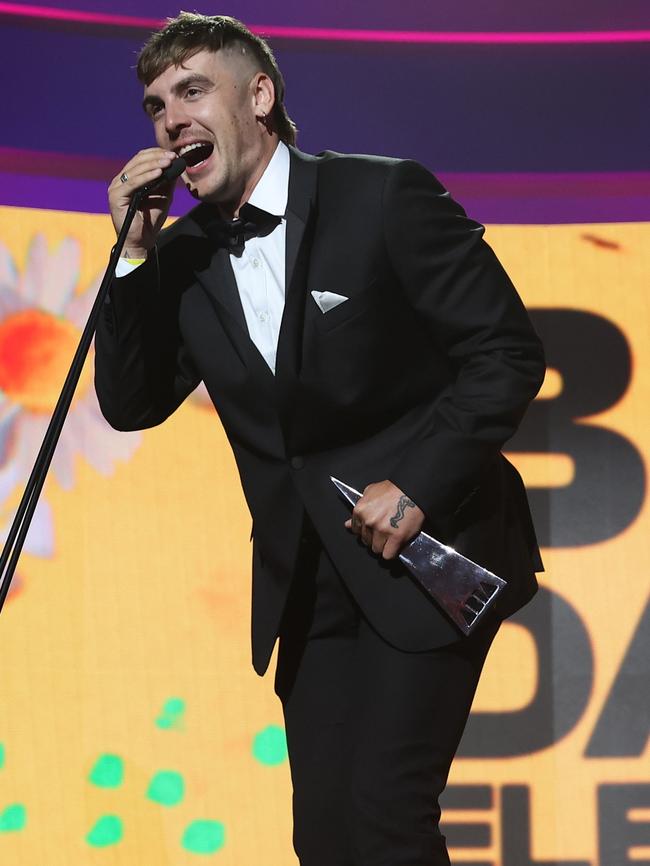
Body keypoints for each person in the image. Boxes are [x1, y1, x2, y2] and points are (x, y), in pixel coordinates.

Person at [95, 12, 545, 866]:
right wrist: (134, 257)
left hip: (425, 554)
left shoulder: (380, 196)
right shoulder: (184, 256)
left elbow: (505, 354)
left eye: (194, 90)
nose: (171, 120)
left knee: (384, 815)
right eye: (156, 106)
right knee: (329, 840)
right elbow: (131, 402)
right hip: (308, 580)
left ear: (260, 96)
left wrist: (414, 484)